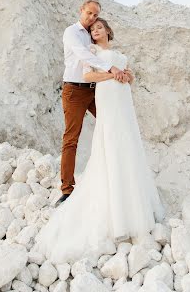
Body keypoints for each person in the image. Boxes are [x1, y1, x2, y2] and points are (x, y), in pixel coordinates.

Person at [34, 16, 166, 265]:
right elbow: (89, 77)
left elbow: (129, 77)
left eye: (99, 27)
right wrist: (112, 75)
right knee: (109, 141)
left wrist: (127, 76)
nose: (95, 30)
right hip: (106, 97)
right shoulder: (91, 52)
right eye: (92, 28)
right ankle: (93, 197)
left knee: (127, 141)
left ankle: (133, 196)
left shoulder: (118, 54)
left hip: (122, 101)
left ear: (107, 30)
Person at [55, 0, 130, 207]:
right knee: (71, 138)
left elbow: (106, 52)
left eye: (96, 15)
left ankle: (118, 179)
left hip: (97, 91)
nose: (92, 18)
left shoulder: (92, 34)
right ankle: (67, 190)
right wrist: (111, 69)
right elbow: (83, 56)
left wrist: (123, 71)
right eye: (89, 13)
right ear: (82, 10)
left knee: (114, 126)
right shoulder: (72, 33)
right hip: (75, 91)